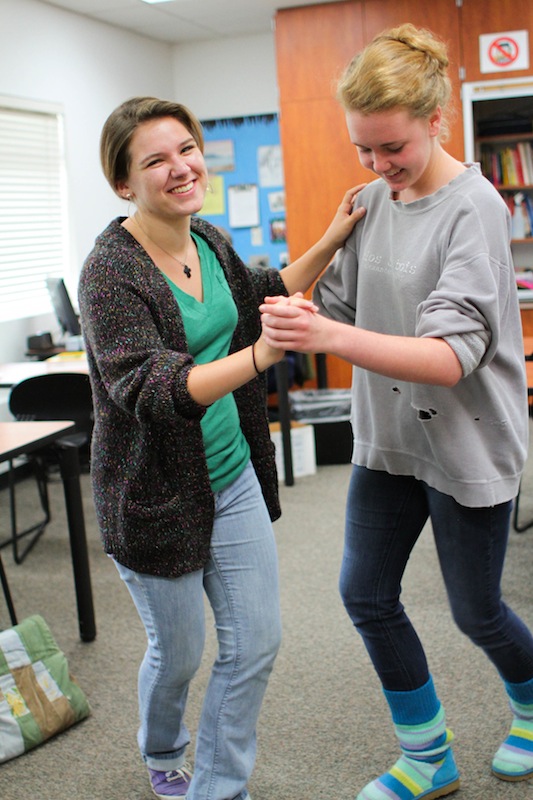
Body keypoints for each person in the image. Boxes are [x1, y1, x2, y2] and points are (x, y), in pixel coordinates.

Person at [260, 23, 533, 800]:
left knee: (477, 610)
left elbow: (449, 358)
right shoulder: (374, 201)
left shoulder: (473, 208)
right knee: (364, 595)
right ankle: (427, 757)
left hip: (465, 444)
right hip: (385, 441)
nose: (380, 168)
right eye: (364, 151)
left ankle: (531, 701)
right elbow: (345, 303)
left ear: (435, 121)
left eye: (393, 149)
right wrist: (306, 303)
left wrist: (328, 332)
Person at [77, 96, 365, 800]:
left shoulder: (205, 239)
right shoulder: (109, 273)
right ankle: (162, 746)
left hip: (228, 476)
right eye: (155, 160)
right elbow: (152, 388)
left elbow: (261, 290)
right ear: (123, 183)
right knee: (177, 655)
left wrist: (333, 234)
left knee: (254, 644)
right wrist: (262, 356)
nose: (180, 168)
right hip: (153, 493)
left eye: (186, 149)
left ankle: (218, 787)